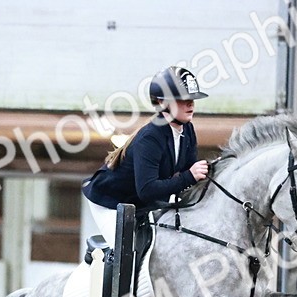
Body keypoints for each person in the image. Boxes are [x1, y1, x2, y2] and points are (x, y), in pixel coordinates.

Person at [82, 65, 211, 244]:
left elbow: (189, 174)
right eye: (182, 99)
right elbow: (147, 190)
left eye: (192, 99)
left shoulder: (187, 130)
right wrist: (189, 176)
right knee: (127, 251)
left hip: (141, 205)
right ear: (161, 102)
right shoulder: (150, 137)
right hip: (110, 203)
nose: (190, 104)